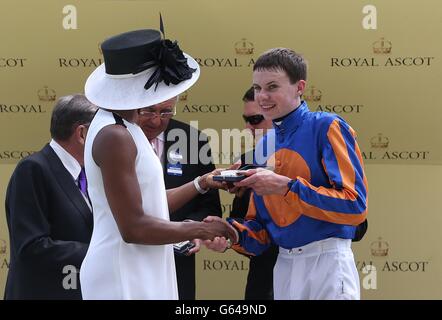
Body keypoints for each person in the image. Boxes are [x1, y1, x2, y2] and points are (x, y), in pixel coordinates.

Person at [80, 28, 237, 300]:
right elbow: (134, 228)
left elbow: (147, 201)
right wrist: (201, 228)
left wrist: (202, 182)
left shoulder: (123, 127)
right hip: (123, 269)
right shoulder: (115, 135)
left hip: (139, 263)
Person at [206, 48, 368, 300]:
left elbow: (355, 206)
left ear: (299, 87)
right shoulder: (262, 147)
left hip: (327, 262)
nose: (263, 96)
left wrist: (286, 187)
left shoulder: (327, 126)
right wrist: (229, 233)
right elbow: (261, 235)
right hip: (283, 266)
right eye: (257, 88)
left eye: (272, 87)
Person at [4, 94, 97, 299]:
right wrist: (99, 252)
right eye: (101, 130)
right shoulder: (33, 169)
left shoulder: (91, 174)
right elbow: (31, 246)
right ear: (82, 133)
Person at [137, 96, 222, 300]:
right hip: (129, 256)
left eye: (166, 112)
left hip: (177, 262)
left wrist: (191, 227)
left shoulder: (192, 139)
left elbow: (210, 205)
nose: (156, 120)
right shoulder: (115, 137)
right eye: (149, 111)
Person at [229, 87, 278, 300]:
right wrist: (230, 232)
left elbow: (357, 226)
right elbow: (242, 222)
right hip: (264, 280)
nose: (248, 127)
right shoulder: (247, 160)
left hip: (311, 273)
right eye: (245, 119)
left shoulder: (315, 152)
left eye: (255, 119)